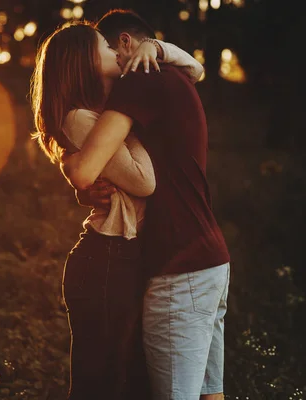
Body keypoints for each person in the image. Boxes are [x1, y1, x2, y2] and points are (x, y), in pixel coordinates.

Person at [30, 19, 205, 400]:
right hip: (106, 259)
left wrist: (156, 48)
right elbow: (144, 181)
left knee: (127, 380)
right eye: (103, 47)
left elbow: (196, 69)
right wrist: (129, 122)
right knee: (102, 384)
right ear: (82, 61)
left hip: (123, 256)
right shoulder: (82, 118)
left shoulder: (101, 111)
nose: (114, 50)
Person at [62, 9, 231, 400]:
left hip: (179, 266)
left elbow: (88, 168)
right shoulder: (171, 75)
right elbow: (198, 69)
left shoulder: (137, 80)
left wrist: (69, 164)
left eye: (106, 44)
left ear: (125, 44)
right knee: (210, 394)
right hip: (210, 260)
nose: (107, 53)